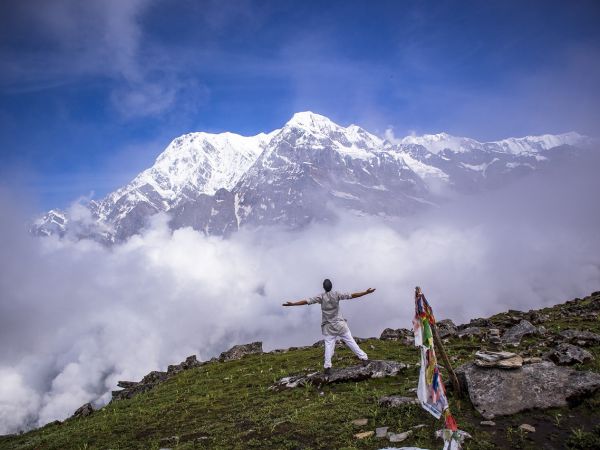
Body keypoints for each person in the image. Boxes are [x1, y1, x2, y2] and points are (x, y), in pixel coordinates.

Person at [282, 278, 375, 374]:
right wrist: (366, 292)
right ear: (331, 286)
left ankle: (327, 367)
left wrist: (293, 304)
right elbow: (352, 295)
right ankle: (364, 358)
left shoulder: (321, 297)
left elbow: (306, 301)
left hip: (328, 327)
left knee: (328, 346)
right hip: (340, 325)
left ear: (323, 287)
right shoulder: (337, 294)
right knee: (350, 341)